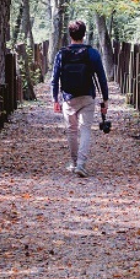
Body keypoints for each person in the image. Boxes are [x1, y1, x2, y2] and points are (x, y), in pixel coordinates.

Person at [51, 19, 109, 177]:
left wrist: (55, 99)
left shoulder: (62, 53)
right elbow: (102, 78)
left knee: (71, 131)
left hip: (69, 98)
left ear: (69, 35)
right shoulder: (92, 53)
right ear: (84, 34)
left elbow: (54, 78)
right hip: (87, 96)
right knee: (85, 130)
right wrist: (106, 100)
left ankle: (74, 162)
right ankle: (81, 164)